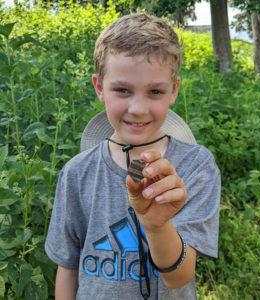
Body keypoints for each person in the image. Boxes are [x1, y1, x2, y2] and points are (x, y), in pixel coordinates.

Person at [45, 13, 220, 300]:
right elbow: (67, 265)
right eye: (123, 90)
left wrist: (157, 224)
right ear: (99, 87)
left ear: (173, 91)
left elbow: (179, 276)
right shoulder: (76, 173)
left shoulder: (196, 166)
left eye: (154, 91)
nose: (138, 108)